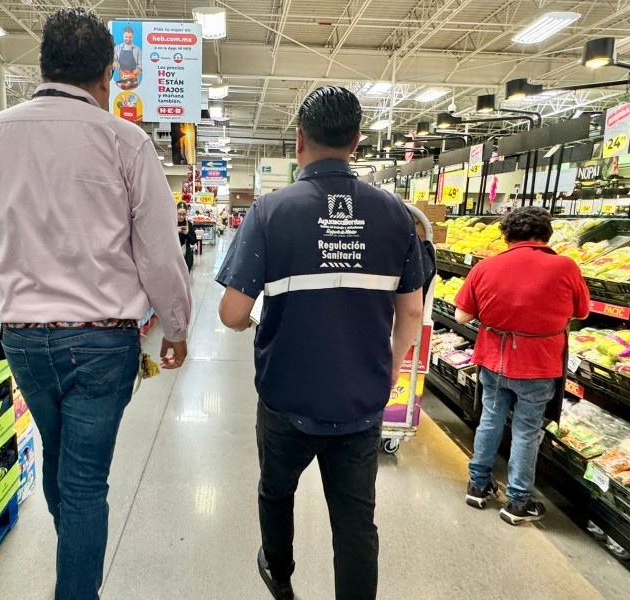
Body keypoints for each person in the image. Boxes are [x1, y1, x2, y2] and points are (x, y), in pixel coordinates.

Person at [0, 9, 191, 600]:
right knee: (85, 481)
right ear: (108, 74)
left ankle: (73, 561)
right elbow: (158, 252)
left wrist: (6, 301)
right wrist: (175, 325)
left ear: (43, 66)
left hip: (23, 339)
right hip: (101, 341)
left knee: (59, 459)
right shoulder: (125, 141)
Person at [216, 86, 425, 600]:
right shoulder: (396, 214)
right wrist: (389, 368)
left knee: (276, 491)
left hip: (286, 397)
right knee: (356, 521)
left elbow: (232, 312)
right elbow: (411, 312)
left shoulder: (270, 211)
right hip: (360, 401)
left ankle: (280, 574)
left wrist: (251, 324)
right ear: (356, 142)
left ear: (298, 140)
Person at [455, 207, 589, 525]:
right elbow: (582, 312)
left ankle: (478, 486)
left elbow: (461, 316)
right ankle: (517, 502)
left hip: (494, 359)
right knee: (526, 431)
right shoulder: (565, 266)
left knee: (490, 421)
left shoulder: (486, 266)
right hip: (539, 364)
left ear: (506, 235)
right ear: (546, 235)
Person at [113, 26, 142, 90]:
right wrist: (115, 62)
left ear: (133, 36)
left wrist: (139, 69)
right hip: (121, 79)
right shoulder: (117, 48)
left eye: (130, 37)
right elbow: (113, 60)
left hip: (133, 80)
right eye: (126, 37)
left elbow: (141, 64)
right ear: (123, 36)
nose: (128, 39)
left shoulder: (137, 50)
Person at [177, 203, 197, 271]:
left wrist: (187, 233)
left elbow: (193, 241)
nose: (181, 217)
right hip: (172, 256)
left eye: (184, 214)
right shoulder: (171, 224)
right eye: (179, 214)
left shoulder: (188, 224)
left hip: (186, 256)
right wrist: (174, 232)